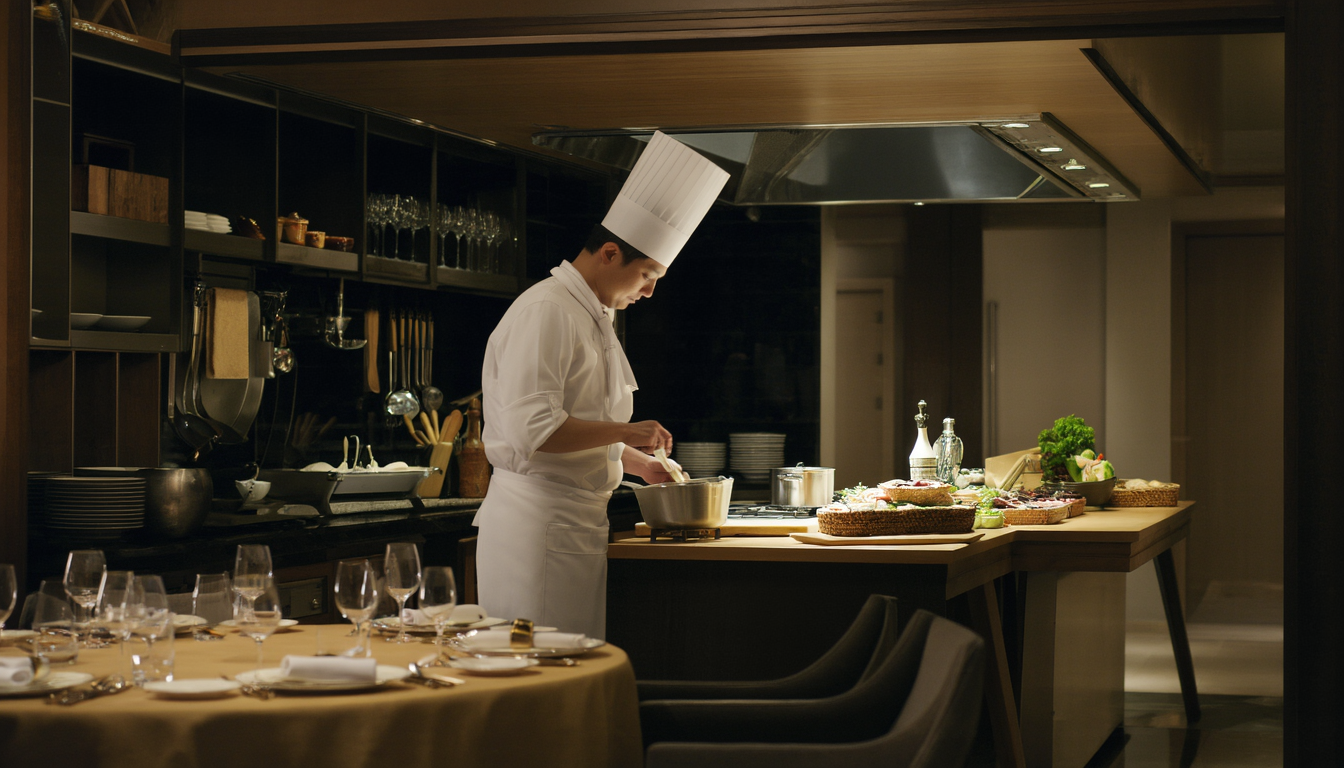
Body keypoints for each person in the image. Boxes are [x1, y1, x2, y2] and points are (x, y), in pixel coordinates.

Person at [473, 132, 729, 638]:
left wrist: (636, 463)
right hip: (535, 527)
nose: (649, 292)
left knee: (573, 663)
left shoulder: (593, 314)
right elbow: (535, 433)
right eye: (647, 275)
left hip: (573, 523)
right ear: (610, 253)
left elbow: (573, 428)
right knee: (538, 669)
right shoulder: (548, 310)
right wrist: (629, 433)